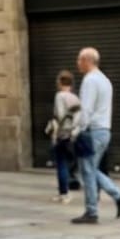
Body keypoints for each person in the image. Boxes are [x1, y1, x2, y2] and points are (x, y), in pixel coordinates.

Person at [70, 47, 120, 225]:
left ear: (87, 60)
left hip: (92, 131)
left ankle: (94, 210)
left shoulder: (90, 80)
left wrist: (77, 131)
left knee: (87, 171)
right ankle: (117, 198)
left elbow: (86, 110)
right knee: (90, 169)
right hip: (104, 130)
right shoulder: (105, 80)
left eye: (79, 60)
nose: (77, 63)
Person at [45, 71, 82, 203]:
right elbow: (79, 117)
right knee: (70, 163)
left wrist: (55, 131)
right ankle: (68, 189)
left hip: (61, 134)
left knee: (61, 164)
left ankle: (64, 193)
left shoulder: (59, 96)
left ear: (60, 82)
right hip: (72, 135)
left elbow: (59, 115)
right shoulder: (75, 97)